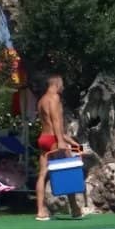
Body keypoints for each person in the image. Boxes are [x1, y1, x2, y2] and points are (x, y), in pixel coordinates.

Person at [34, 74, 83, 221]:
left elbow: (51, 124)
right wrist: (62, 142)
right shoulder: (54, 98)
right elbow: (56, 122)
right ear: (56, 84)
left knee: (42, 174)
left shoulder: (41, 100)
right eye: (62, 84)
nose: (63, 87)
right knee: (68, 171)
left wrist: (73, 143)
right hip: (54, 140)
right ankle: (75, 209)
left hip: (44, 138)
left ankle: (40, 211)